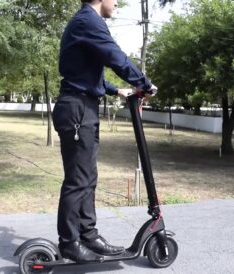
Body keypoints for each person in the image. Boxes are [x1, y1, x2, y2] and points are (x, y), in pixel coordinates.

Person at [52, 0, 157, 263]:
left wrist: (116, 90)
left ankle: (88, 235)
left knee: (88, 177)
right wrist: (144, 83)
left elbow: (86, 70)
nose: (117, 3)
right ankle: (69, 243)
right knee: (78, 180)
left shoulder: (86, 21)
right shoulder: (89, 21)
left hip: (83, 106)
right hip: (77, 109)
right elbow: (114, 56)